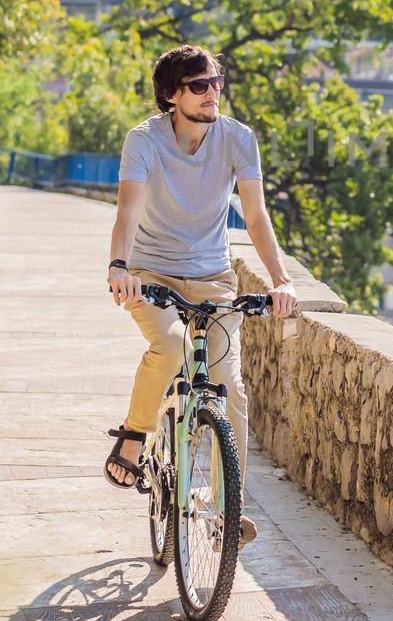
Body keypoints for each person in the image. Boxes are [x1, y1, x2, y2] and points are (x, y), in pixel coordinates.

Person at [102, 44, 297, 546]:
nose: (212, 93)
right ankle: (136, 433)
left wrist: (281, 280)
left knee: (229, 384)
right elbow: (128, 209)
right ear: (172, 95)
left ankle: (227, 509)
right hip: (150, 275)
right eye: (198, 85)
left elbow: (254, 215)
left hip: (213, 277)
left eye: (216, 82)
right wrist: (119, 266)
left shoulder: (237, 139)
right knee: (171, 347)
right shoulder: (143, 140)